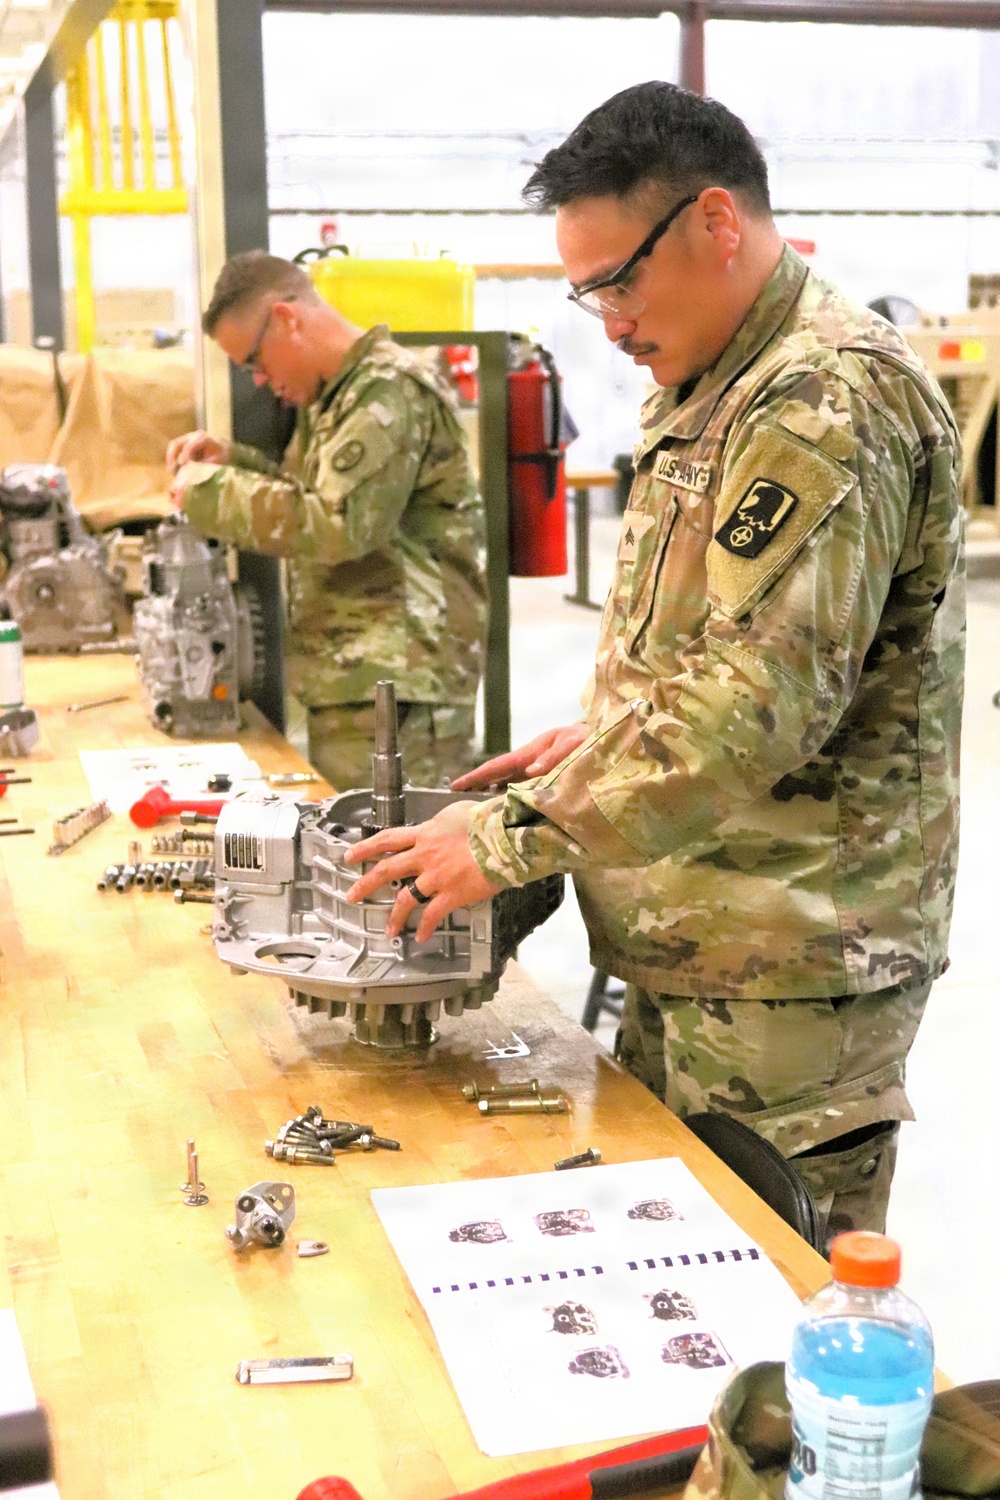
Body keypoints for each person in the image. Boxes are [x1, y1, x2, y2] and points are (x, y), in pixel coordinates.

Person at [343, 82, 964, 1250]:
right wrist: (605, 728)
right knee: (672, 1272)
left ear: (715, 222)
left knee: (767, 1320)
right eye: (586, 292)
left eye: (619, 279)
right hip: (701, 922)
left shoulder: (823, 397)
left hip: (789, 956)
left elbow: (755, 710)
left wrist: (502, 838)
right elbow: (724, 649)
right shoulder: (714, 382)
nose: (607, 319)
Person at [167, 251, 487, 790]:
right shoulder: (338, 397)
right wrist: (233, 462)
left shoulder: (387, 389)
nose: (262, 381)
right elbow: (314, 495)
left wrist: (210, 495)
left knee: (393, 862)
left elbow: (337, 525)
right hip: (362, 675)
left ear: (287, 319)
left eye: (255, 362)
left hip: (401, 681)